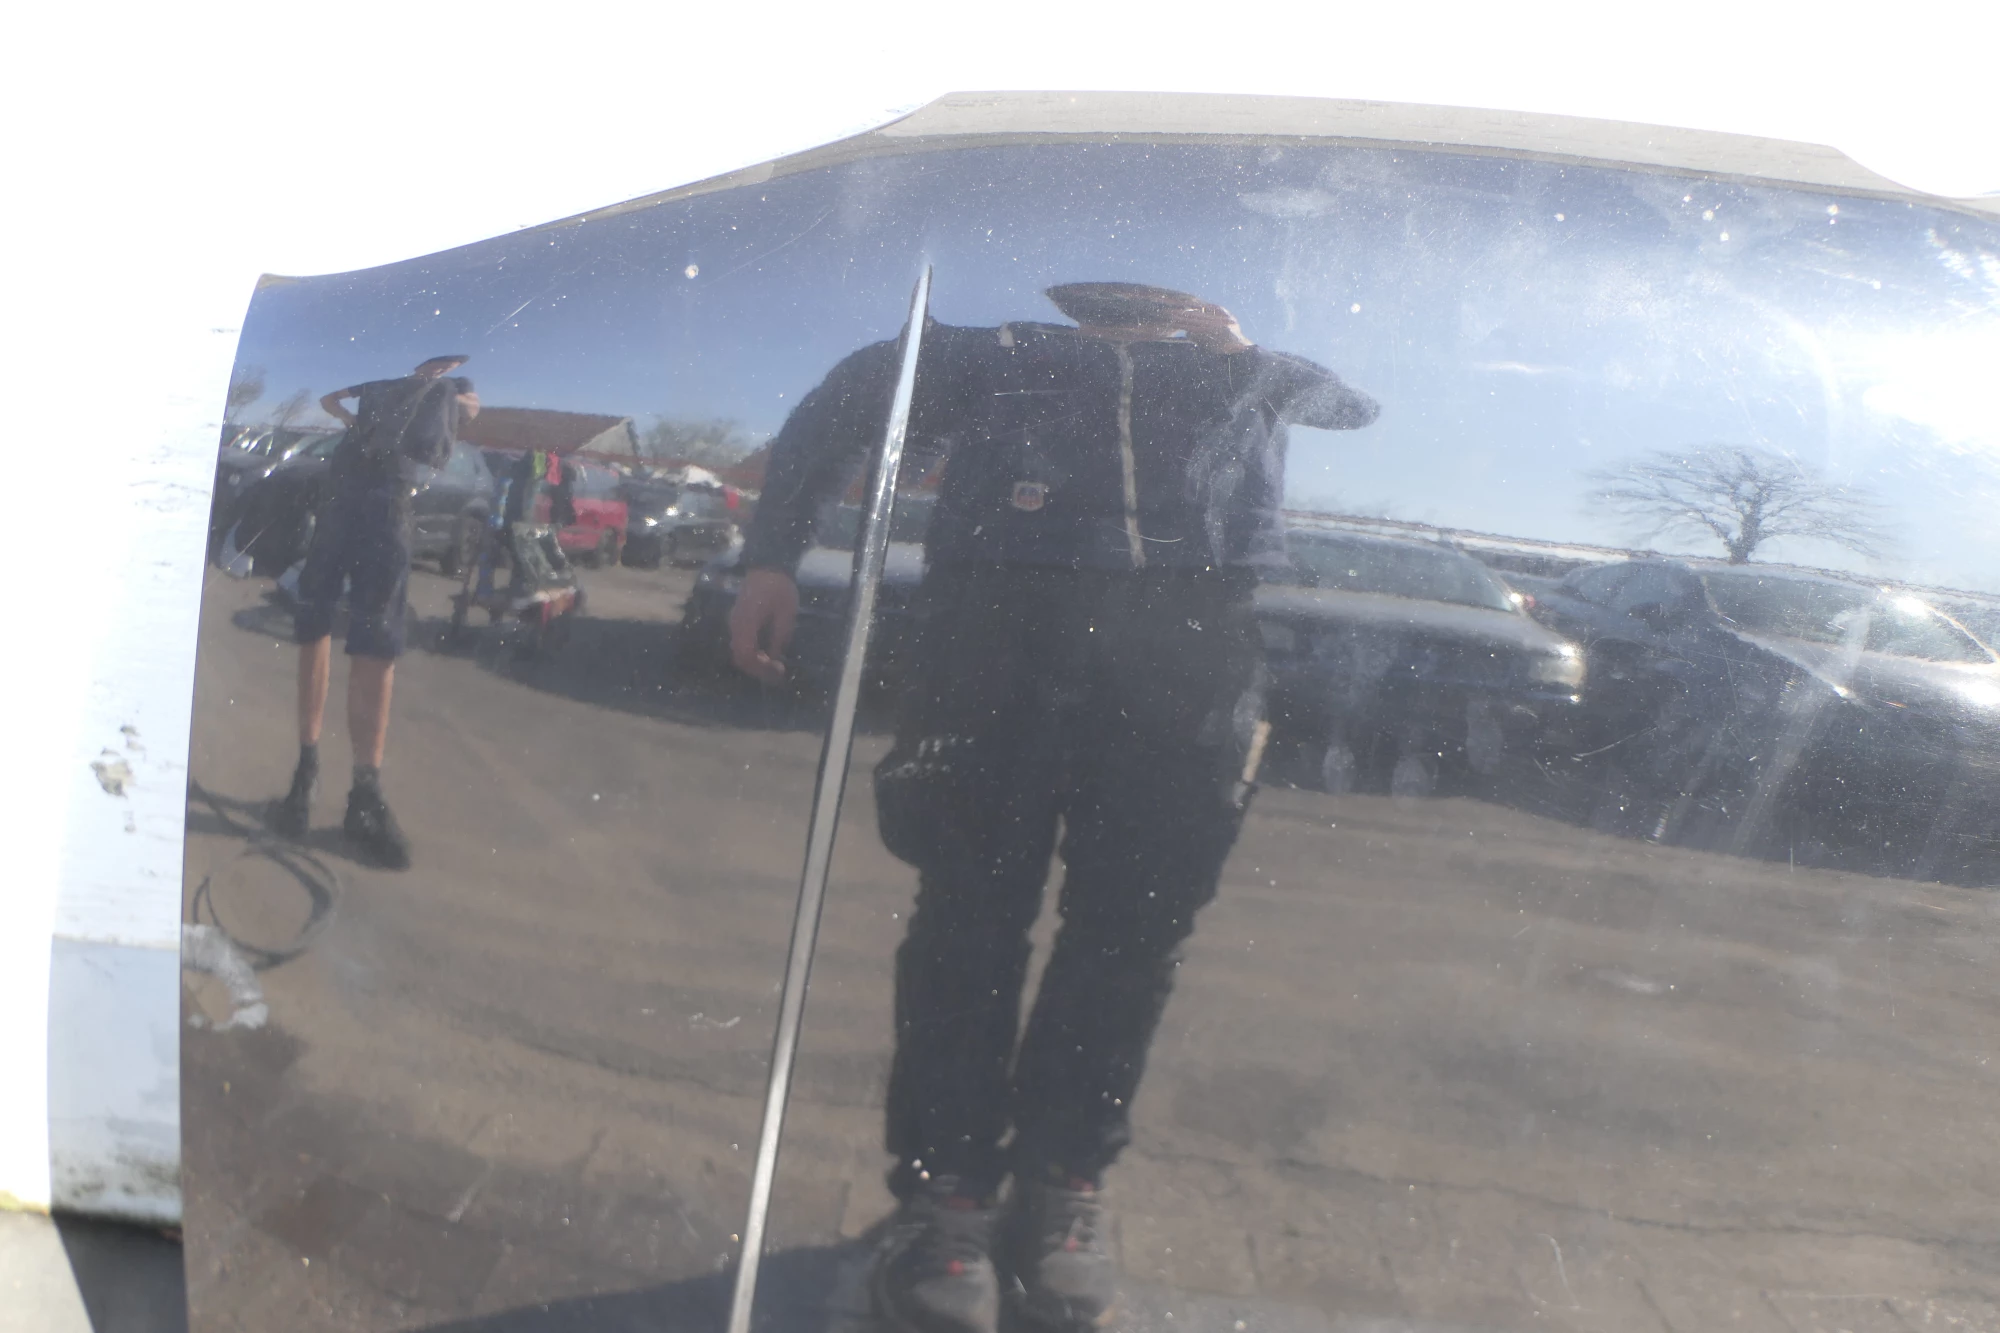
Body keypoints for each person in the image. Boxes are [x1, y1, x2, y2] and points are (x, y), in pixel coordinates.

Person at [729, 283, 1379, 1333]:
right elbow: (844, 402)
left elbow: (1347, 407)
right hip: (997, 623)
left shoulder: (1234, 371)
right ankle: (946, 1196)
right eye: (1109, 298)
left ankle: (1063, 1182)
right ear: (1074, 303)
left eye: (1155, 299)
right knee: (966, 922)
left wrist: (1239, 349)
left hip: (1191, 634)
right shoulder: (995, 352)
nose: (1133, 315)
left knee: (1135, 930)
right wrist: (772, 552)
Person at [270, 355, 480, 868]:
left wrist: (447, 400)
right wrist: (357, 422)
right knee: (316, 624)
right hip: (349, 495)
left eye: (448, 364)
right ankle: (307, 771)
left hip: (384, 498)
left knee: (376, 638)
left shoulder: (445, 388)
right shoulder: (383, 384)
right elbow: (332, 399)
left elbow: (470, 409)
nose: (443, 367)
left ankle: (363, 792)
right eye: (440, 362)